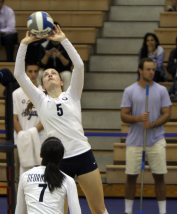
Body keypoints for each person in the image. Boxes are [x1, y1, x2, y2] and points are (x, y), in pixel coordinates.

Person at [14, 25, 108, 214]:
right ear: (42, 84)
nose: (49, 75)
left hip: (83, 154)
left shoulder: (73, 94)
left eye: (53, 73)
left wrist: (63, 40)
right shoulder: (40, 99)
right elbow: (18, 74)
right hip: (59, 161)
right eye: (46, 74)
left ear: (62, 81)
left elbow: (79, 65)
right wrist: (24, 44)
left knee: (99, 210)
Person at [121, 58, 172, 214]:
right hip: (135, 140)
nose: (151, 72)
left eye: (153, 69)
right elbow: (124, 115)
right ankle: (128, 211)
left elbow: (167, 113)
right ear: (140, 70)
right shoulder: (129, 91)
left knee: (159, 176)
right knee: (131, 176)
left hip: (156, 139)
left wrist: (153, 124)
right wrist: (138, 118)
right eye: (148, 69)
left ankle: (163, 212)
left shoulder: (162, 90)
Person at [15, 136, 82, 214]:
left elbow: (19, 211)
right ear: (62, 157)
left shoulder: (25, 176)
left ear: (40, 154)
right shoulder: (67, 180)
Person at [13, 62, 45, 185]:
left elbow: (46, 118)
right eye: (30, 71)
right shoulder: (16, 93)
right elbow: (14, 118)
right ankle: (19, 204)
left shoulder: (44, 93)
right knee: (18, 177)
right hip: (20, 139)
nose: (33, 74)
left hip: (41, 139)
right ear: (25, 73)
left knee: (41, 174)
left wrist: (33, 131)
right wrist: (23, 135)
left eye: (35, 71)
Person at [38, 22, 72, 91]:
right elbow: (41, 65)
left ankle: (67, 97)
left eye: (55, 31)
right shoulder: (44, 45)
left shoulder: (65, 45)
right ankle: (40, 95)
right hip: (47, 71)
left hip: (61, 71)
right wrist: (46, 56)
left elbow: (68, 65)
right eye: (51, 32)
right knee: (39, 73)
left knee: (67, 74)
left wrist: (60, 56)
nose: (54, 33)